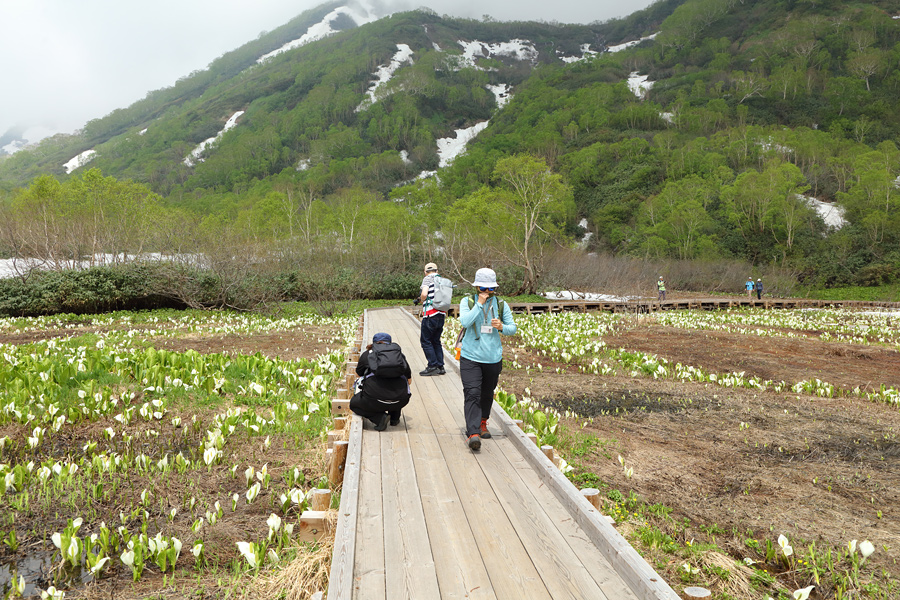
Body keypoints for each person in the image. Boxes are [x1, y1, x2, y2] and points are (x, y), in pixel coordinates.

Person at [458, 268, 517, 451]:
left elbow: (512, 328)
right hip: (470, 356)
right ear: (476, 287)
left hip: (492, 357)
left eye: (490, 288)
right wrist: (479, 304)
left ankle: (483, 421)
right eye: (483, 288)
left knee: (486, 392)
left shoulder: (501, 304)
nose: (486, 291)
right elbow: (465, 322)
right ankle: (473, 432)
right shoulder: (467, 301)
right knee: (472, 392)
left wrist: (501, 327)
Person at [350, 333, 412, 431]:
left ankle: (379, 418)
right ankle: (394, 417)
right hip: (401, 400)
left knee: (354, 404)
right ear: (390, 343)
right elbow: (409, 381)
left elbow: (359, 375)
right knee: (395, 387)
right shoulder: (399, 356)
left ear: (374, 343)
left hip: (375, 400)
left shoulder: (368, 354)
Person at [416, 262, 445, 376]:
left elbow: (424, 294)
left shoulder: (427, 279)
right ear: (437, 271)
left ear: (425, 272)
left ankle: (432, 365)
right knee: (436, 341)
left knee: (426, 341)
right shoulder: (441, 279)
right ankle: (440, 366)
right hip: (441, 314)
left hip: (430, 314)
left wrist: (422, 299)